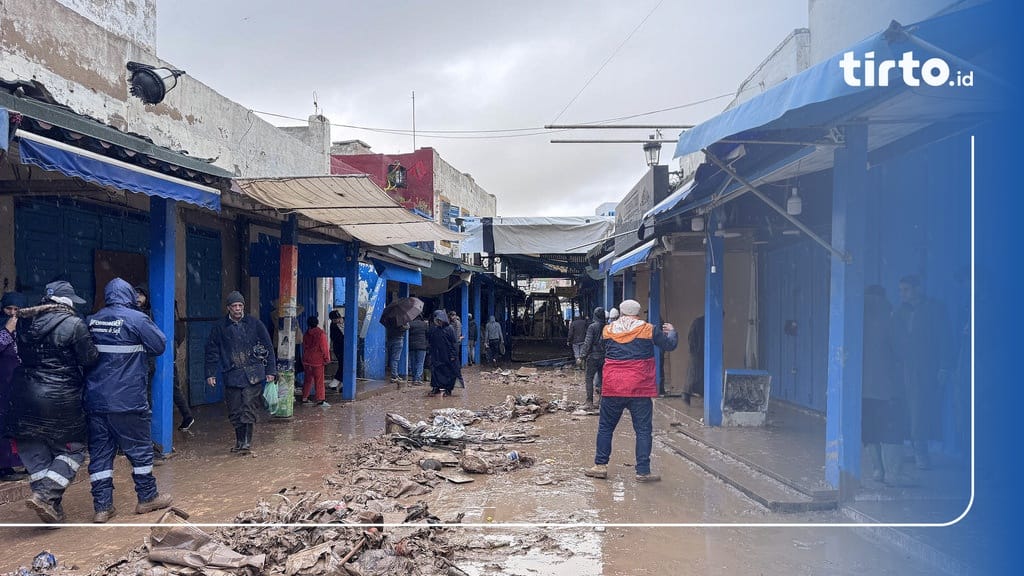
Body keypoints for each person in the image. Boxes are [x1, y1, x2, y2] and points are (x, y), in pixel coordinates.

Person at [3, 281, 99, 524]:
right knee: (73, 450)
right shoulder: (74, 324)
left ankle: (51, 508)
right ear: (66, 302)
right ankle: (45, 496)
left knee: (34, 451)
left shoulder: (24, 321)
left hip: (23, 396)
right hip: (59, 398)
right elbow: (89, 359)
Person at [84, 279, 173, 523]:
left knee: (100, 453)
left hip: (96, 400)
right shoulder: (137, 319)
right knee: (140, 450)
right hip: (128, 400)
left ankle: (102, 507)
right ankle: (147, 497)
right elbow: (159, 345)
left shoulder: (92, 320)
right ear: (129, 297)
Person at [585, 299, 677, 483]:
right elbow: (669, 345)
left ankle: (600, 466)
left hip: (613, 387)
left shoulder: (608, 330)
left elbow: (603, 348)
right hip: (639, 388)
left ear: (621, 312)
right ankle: (643, 471)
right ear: (638, 312)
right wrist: (672, 332)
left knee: (606, 427)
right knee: (643, 430)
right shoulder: (649, 329)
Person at [205, 291, 277, 455]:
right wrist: (210, 373)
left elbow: (267, 346)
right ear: (228, 308)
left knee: (248, 406)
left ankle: (246, 443)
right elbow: (211, 351)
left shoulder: (255, 324)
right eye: (234, 306)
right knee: (234, 410)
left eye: (240, 305)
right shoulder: (220, 327)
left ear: (243, 307)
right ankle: (239, 441)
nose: (237, 309)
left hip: (253, 374)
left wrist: (271, 370)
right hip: (231, 374)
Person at [891, 275, 951, 471]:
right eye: (900, 290)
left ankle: (921, 451)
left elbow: (944, 338)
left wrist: (943, 366)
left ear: (918, 289)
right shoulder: (900, 312)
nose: (902, 294)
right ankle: (913, 447)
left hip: (927, 368)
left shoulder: (935, 309)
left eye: (906, 290)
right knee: (906, 409)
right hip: (904, 368)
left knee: (920, 409)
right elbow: (894, 339)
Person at [862, 285, 912, 486]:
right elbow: (903, 350)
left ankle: (877, 470)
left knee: (870, 429)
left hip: (863, 389)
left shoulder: (857, 318)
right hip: (888, 387)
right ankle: (894, 473)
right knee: (891, 428)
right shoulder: (891, 318)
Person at [135, 286, 194, 439]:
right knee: (171, 388)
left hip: (159, 359)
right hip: (158, 359)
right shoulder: (154, 313)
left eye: (140, 294)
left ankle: (185, 416)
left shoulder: (152, 314)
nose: (137, 297)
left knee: (169, 388)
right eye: (135, 294)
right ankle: (186, 416)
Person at [0, 292, 28, 481]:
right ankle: (4, 467)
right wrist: (7, 331)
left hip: (22, 385)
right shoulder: (3, 327)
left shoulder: (28, 327)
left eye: (17, 309)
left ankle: (25, 461)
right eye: (8, 308)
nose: (12, 313)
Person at [426, 310, 458, 397]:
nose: (438, 322)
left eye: (439, 320)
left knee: (448, 372)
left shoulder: (449, 329)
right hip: (436, 354)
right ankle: (435, 387)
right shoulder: (434, 329)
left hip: (447, 354)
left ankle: (448, 389)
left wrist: (453, 355)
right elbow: (430, 340)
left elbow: (453, 343)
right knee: (435, 371)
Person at [580, 307, 607, 408]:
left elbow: (588, 342)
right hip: (604, 357)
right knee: (602, 379)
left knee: (589, 378)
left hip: (593, 357)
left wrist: (582, 355)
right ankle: (601, 401)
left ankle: (589, 402)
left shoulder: (592, 327)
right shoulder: (607, 327)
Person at [301, 316, 330, 407]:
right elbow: (324, 348)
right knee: (319, 381)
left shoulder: (306, 334)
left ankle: (304, 397)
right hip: (317, 361)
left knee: (307, 380)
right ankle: (320, 399)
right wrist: (327, 359)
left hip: (307, 360)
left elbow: (304, 346)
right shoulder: (321, 334)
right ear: (317, 323)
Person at [685, 315, 705, 406]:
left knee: (696, 373)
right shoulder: (699, 322)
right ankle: (686, 393)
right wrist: (695, 349)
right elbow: (691, 337)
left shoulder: (699, 321)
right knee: (693, 373)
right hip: (698, 351)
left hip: (700, 351)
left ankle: (689, 393)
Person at [407, 313, 429, 384]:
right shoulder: (424, 324)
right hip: (422, 346)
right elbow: (427, 334)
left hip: (412, 346)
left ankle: (414, 378)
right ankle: (418, 379)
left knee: (413, 362)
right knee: (420, 362)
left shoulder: (410, 324)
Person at [385, 319, 409, 383]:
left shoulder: (389, 320)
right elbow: (407, 327)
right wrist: (406, 323)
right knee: (395, 359)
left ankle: (394, 374)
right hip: (398, 340)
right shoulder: (400, 320)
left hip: (390, 339)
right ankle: (394, 376)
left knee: (391, 358)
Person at [327, 310, 345, 391]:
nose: (337, 321)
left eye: (338, 318)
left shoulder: (346, 321)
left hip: (346, 347)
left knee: (344, 365)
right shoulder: (333, 327)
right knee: (342, 364)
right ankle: (336, 382)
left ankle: (337, 383)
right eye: (334, 320)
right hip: (339, 348)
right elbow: (335, 338)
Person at [448, 311, 465, 387]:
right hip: (454, 343)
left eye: (453, 316)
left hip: (454, 344)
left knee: (455, 360)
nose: (453, 317)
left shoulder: (456, 323)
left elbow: (457, 334)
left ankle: (458, 380)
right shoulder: (452, 323)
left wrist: (456, 340)